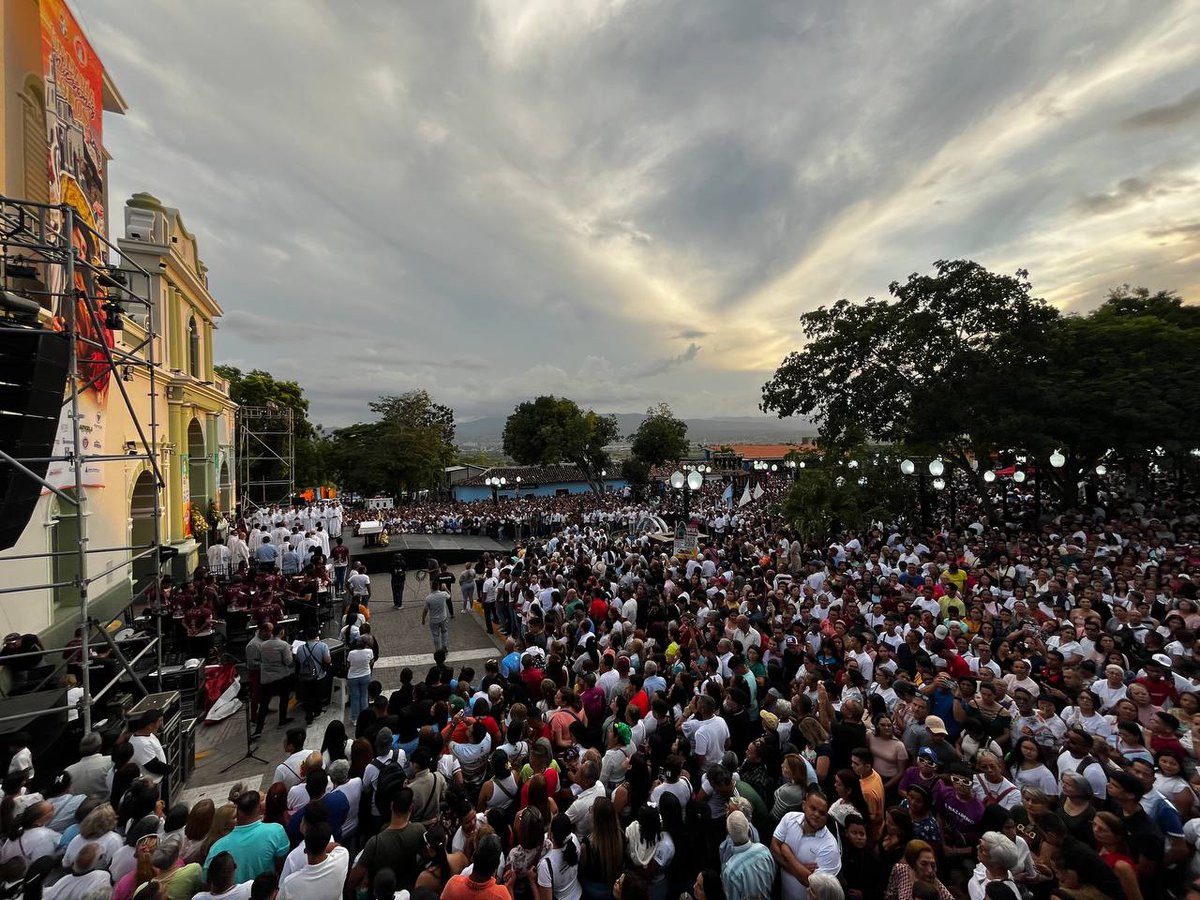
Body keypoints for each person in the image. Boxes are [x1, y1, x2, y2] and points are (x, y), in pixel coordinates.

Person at [350, 787, 426, 893]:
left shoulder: (375, 842)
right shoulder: (419, 830)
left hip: (382, 892)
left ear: (391, 806)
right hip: (408, 889)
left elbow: (355, 877)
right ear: (411, 808)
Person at [203, 791, 289, 882]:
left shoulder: (216, 848)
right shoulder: (276, 830)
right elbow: (282, 865)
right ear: (259, 808)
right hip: (266, 891)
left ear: (238, 812)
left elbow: (206, 881)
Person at [771, 792, 841, 900]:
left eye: (822, 813)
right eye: (813, 808)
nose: (817, 814)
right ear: (804, 805)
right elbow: (774, 848)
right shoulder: (789, 818)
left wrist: (787, 853)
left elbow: (814, 885)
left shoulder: (830, 847)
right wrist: (800, 868)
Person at [277, 822, 348, 900]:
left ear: (305, 850)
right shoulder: (342, 857)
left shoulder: (289, 883)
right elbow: (337, 847)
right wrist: (322, 847)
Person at [252, 624, 294, 738]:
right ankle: (282, 719)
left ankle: (259, 729)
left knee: (264, 704)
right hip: (281, 677)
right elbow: (288, 661)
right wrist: (289, 651)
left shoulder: (263, 645)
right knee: (284, 699)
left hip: (266, 678)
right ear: (281, 633)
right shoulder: (284, 645)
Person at [721, 810, 775, 900]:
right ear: (748, 828)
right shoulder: (764, 850)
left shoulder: (731, 870)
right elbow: (772, 879)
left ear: (729, 834)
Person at [423, 583, 451, 652]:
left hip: (433, 620)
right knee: (444, 632)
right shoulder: (443, 594)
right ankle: (444, 646)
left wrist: (423, 619)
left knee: (435, 635)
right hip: (443, 618)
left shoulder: (428, 598)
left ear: (431, 588)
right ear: (438, 587)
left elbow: (425, 610)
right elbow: (449, 595)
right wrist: (445, 588)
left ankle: (438, 649)